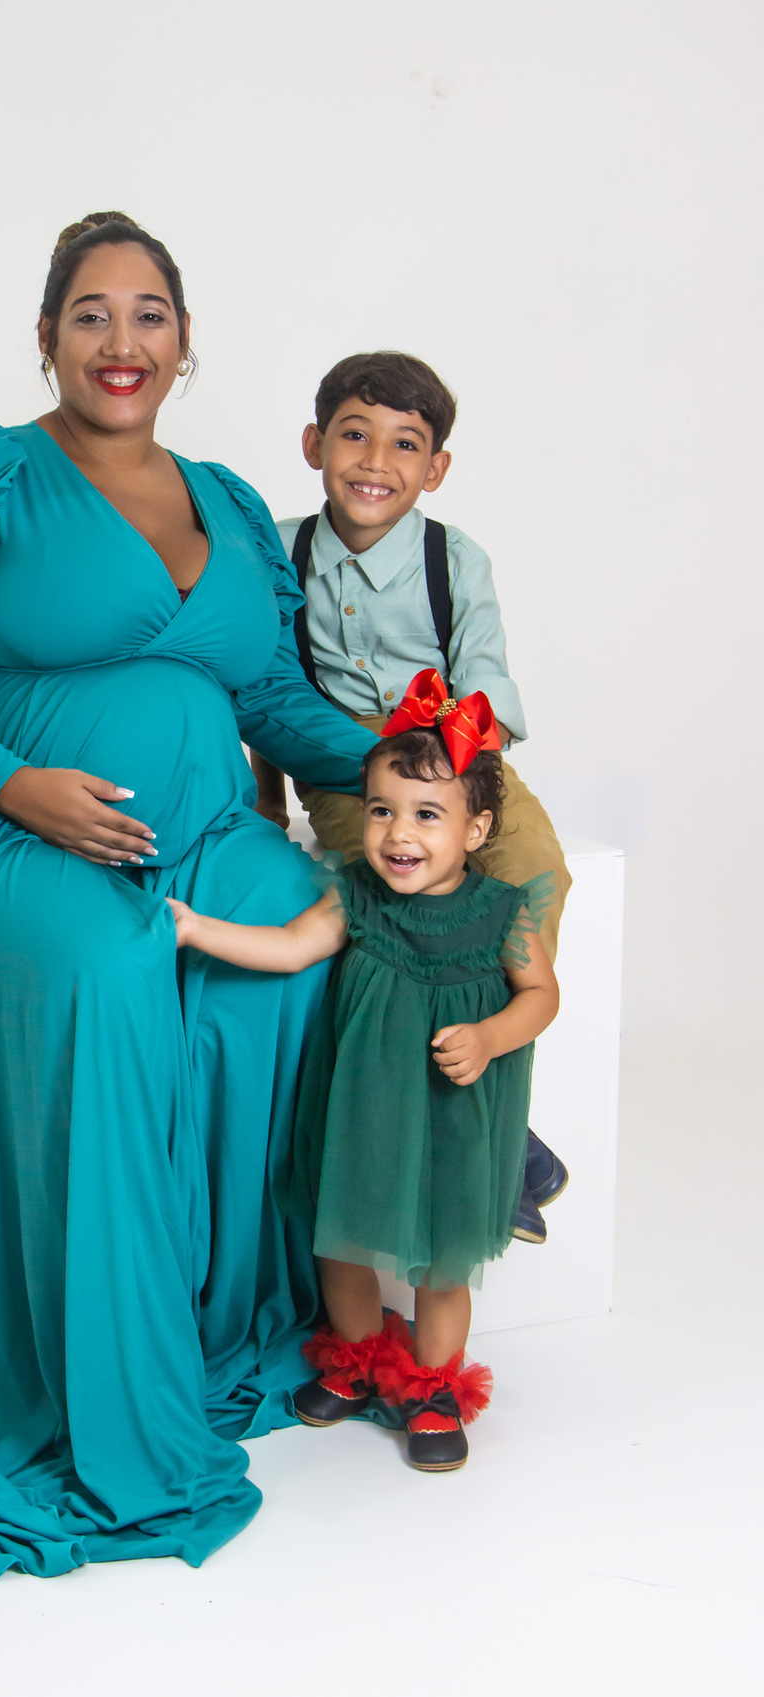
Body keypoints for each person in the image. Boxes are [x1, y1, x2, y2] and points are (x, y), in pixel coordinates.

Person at [0, 213, 384, 1577]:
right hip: (5, 842)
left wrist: (408, 757)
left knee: (313, 930)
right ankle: (88, 1372)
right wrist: (15, 788)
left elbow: (272, 699)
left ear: (185, 340)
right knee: (109, 968)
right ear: (48, 338)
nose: (121, 341)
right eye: (91, 314)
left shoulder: (225, 502)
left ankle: (212, 1319)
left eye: (149, 313)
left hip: (201, 830)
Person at [170, 677, 560, 1471]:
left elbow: (541, 996)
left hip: (453, 1117)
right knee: (340, 1240)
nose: (397, 833)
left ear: (476, 828)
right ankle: (355, 1360)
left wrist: (489, 1037)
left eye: (426, 815)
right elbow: (290, 947)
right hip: (361, 1107)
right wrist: (196, 929)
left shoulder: (502, 912)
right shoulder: (356, 897)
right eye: (381, 810)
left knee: (443, 1261)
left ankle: (433, 1389)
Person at [249, 351, 569, 1241]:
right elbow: (260, 685)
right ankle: (495, 1134)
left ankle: (496, 1081)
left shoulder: (453, 559)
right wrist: (269, 795)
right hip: (346, 769)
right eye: (354, 435)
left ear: (436, 469)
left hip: (458, 753)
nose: (375, 461)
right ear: (314, 444)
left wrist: (458, 789)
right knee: (392, 884)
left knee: (532, 866)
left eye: (404, 445)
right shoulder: (276, 552)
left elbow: (487, 684)